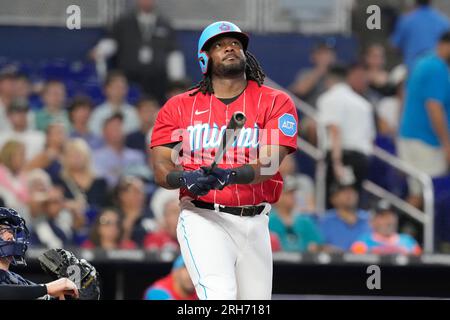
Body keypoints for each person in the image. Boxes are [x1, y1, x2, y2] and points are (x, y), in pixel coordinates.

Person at [150, 21, 298, 300]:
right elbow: (160, 170)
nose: (230, 47)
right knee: (219, 296)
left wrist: (229, 175)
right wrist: (187, 178)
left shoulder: (275, 101)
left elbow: (268, 165)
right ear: (204, 59)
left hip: (256, 221)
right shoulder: (178, 106)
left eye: (235, 43)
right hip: (203, 216)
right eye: (218, 45)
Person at [90, 0, 186, 103]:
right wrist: (100, 50)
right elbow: (111, 42)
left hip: (157, 81)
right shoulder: (124, 22)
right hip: (129, 78)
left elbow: (174, 53)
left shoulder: (165, 24)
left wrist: (176, 80)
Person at [398, 31, 450, 208]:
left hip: (413, 137)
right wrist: (446, 143)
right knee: (424, 195)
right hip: (425, 141)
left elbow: (403, 96)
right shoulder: (436, 68)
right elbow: (434, 107)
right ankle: (397, 232)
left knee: (420, 194)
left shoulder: (423, 62)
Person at [317, 64, 376, 207]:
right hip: (362, 158)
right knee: (354, 204)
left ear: (328, 81)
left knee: (335, 203)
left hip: (342, 157)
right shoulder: (363, 103)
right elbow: (370, 137)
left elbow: (335, 129)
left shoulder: (329, 98)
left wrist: (337, 163)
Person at [0, 207, 79, 300]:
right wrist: (46, 288)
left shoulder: (17, 281)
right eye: (1, 231)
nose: (10, 236)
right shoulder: (31, 288)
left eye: (11, 231)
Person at [53, 138, 108, 223]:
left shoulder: (100, 182)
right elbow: (55, 203)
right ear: (65, 158)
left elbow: (106, 206)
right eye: (72, 155)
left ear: (87, 156)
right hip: (70, 224)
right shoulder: (59, 180)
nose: (76, 159)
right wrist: (68, 205)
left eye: (79, 155)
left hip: (97, 224)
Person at [390, 0, 450, 71]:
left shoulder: (406, 20)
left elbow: (394, 46)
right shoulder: (443, 21)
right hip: (437, 71)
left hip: (412, 71)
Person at [269, 175, 323, 253]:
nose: (293, 196)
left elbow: (319, 244)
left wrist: (316, 247)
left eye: (293, 193)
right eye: (288, 193)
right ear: (278, 195)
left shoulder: (305, 221)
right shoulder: (268, 220)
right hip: (276, 263)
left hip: (302, 264)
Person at [93, 113, 147, 189]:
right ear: (104, 132)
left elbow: (143, 177)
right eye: (113, 128)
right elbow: (101, 181)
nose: (117, 131)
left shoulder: (137, 155)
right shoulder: (96, 157)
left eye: (119, 127)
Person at [351, 200, 422, 255]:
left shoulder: (408, 241)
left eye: (391, 216)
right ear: (372, 221)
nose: (388, 221)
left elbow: (421, 262)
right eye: (383, 216)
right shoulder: (363, 242)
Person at [318, 182, 371, 252]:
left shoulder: (370, 219)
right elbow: (316, 247)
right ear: (333, 199)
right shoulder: (324, 221)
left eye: (352, 191)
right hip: (335, 261)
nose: (349, 194)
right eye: (344, 191)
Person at [88, 71, 140, 137]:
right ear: (106, 89)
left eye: (122, 87)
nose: (119, 91)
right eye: (116, 87)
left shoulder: (133, 112)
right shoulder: (98, 113)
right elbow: (95, 134)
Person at [289, 41, 336, 107]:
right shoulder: (306, 73)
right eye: (322, 53)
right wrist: (321, 69)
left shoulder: (340, 73)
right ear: (313, 56)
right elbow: (299, 91)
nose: (327, 56)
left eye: (329, 53)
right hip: (312, 114)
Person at [115, 176, 154, 246]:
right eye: (136, 191)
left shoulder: (149, 213)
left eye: (142, 192)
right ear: (122, 195)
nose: (141, 196)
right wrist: (131, 219)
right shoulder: (115, 215)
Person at [0, 141, 29, 219]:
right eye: (21, 155)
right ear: (9, 156)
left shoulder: (21, 175)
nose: (24, 159)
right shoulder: (1, 173)